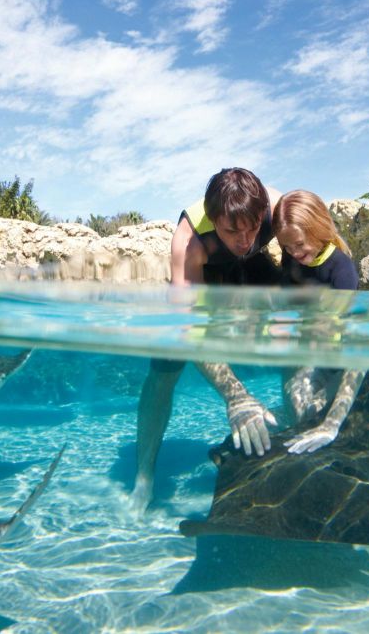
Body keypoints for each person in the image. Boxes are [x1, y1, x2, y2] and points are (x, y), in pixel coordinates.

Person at [132, 168, 282, 511]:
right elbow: (190, 331)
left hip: (253, 267)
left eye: (253, 227)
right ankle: (144, 475)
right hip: (207, 273)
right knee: (164, 370)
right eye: (232, 230)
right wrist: (236, 395)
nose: (244, 239)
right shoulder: (189, 243)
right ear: (214, 220)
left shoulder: (276, 208)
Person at [271, 189, 365, 455]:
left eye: (299, 244)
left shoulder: (342, 269)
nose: (292, 252)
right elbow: (285, 307)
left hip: (339, 360)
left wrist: (331, 424)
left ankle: (334, 423)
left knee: (316, 418)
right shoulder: (292, 258)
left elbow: (353, 350)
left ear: (318, 230)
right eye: (286, 247)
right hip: (308, 352)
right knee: (300, 417)